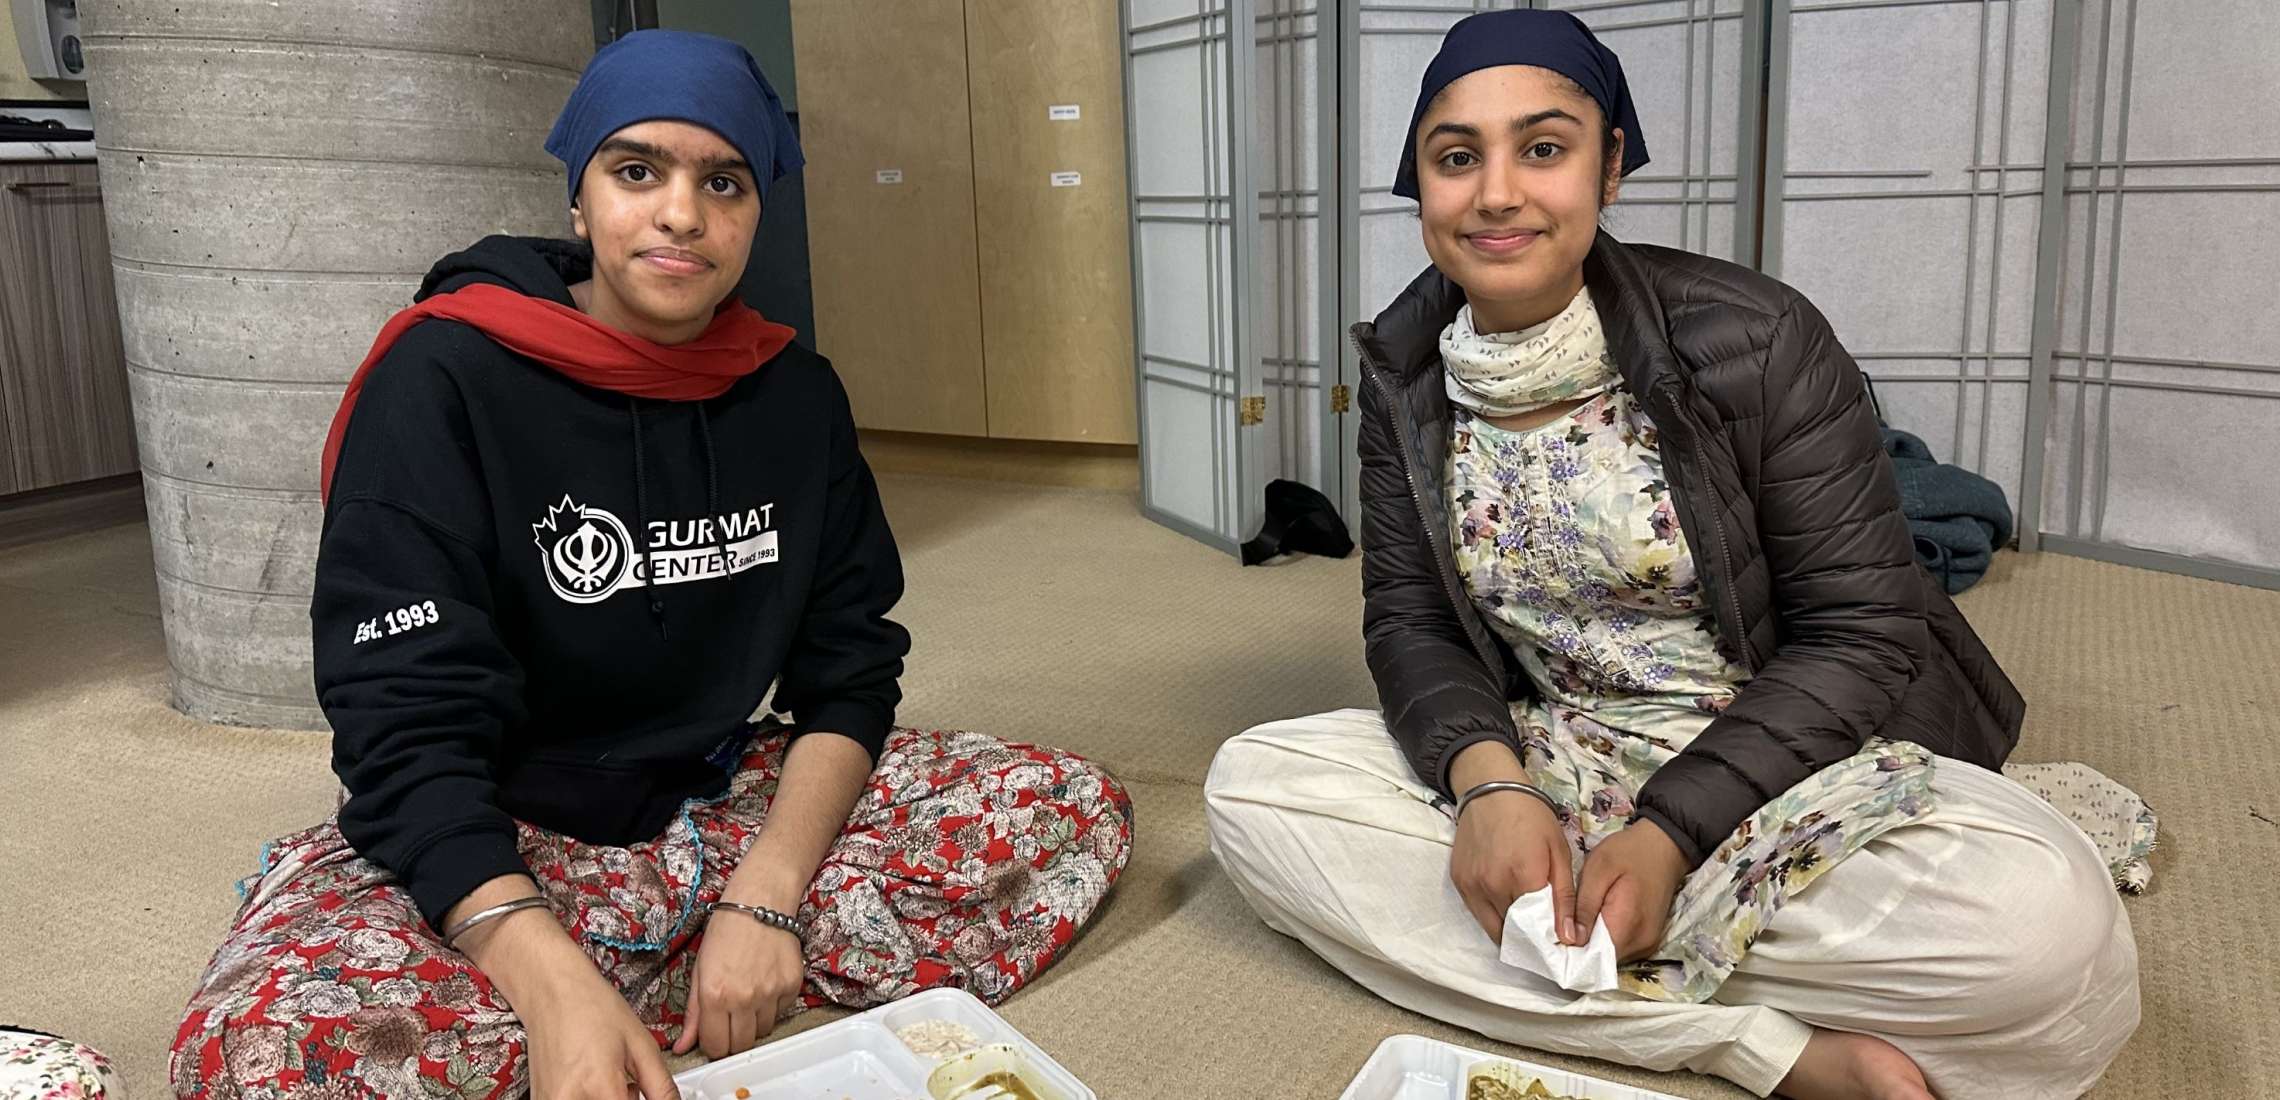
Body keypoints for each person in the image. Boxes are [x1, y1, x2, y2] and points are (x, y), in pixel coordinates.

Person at [170, 31, 1131, 1100]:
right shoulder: (443, 376)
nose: (682, 214)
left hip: (715, 805)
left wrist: (765, 894)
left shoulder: (796, 396)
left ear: (755, 210)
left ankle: (681, 969)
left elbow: (850, 672)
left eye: (723, 182)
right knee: (260, 1052)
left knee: (1069, 806)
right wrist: (544, 977)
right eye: (638, 172)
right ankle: (619, 986)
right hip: (509, 831)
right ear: (580, 202)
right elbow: (403, 725)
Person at [1203, 11, 2137, 1100]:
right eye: (1457, 158)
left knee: (2044, 928)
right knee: (1252, 793)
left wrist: (1669, 836)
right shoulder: (1405, 372)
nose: (1496, 192)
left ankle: (1582, 948)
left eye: (1542, 148)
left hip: (1782, 749)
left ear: (1609, 167)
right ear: (1422, 186)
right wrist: (1489, 785)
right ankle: (1758, 1046)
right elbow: (1410, 619)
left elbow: (1863, 631)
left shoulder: (1760, 337)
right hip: (1555, 747)